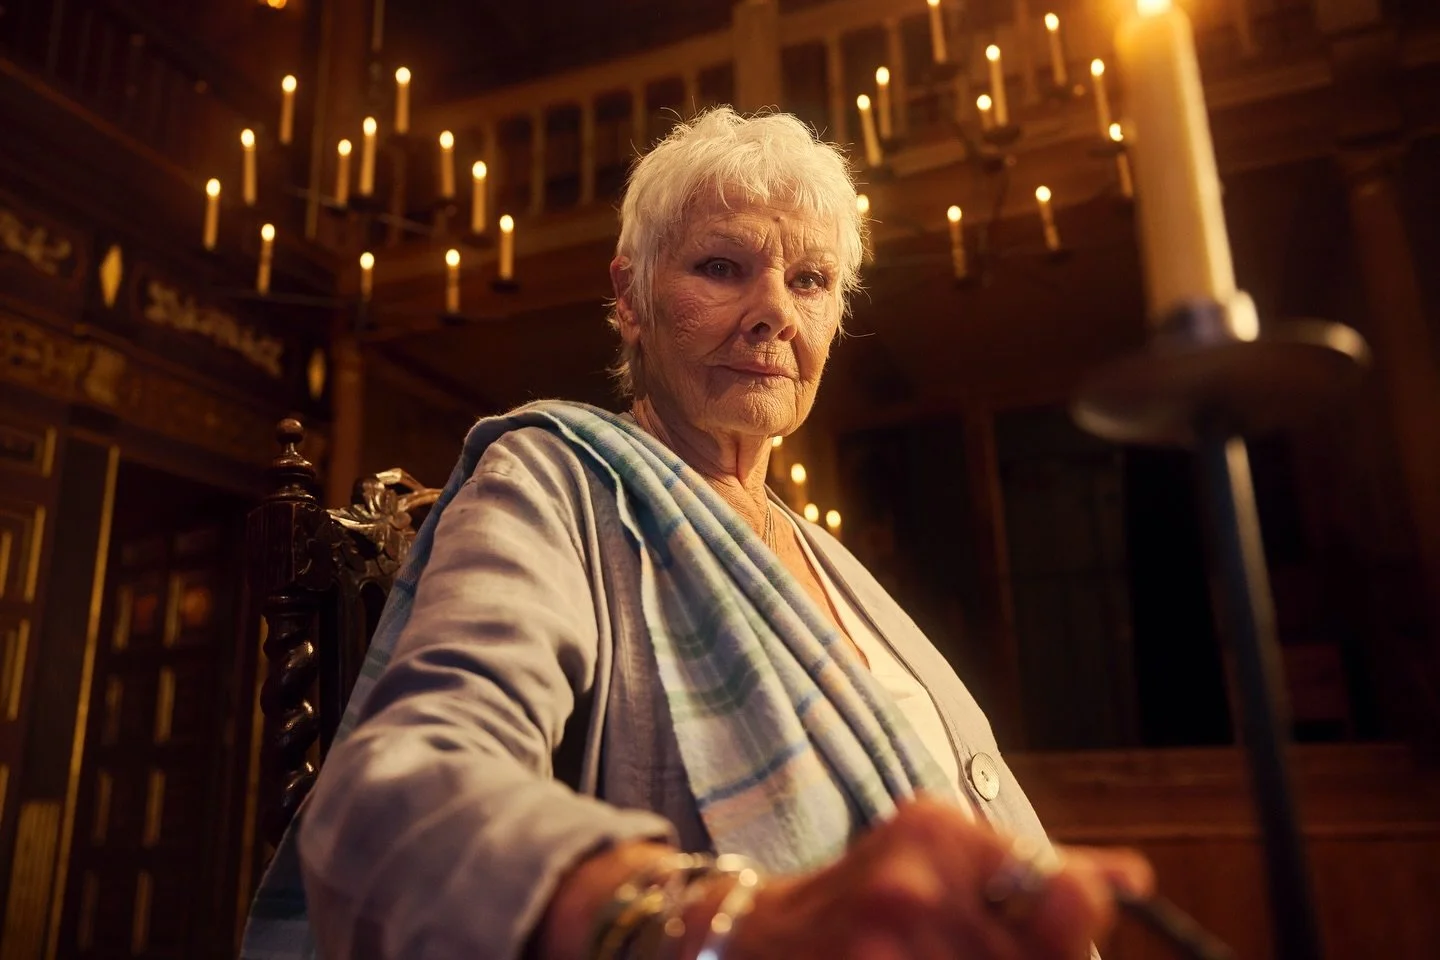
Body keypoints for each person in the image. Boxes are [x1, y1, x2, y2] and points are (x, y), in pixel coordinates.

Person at [243, 107, 1151, 960]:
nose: (774, 312)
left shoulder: (834, 565)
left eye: (810, 280)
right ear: (631, 297)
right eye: (721, 267)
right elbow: (399, 799)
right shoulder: (555, 483)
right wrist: (732, 926)